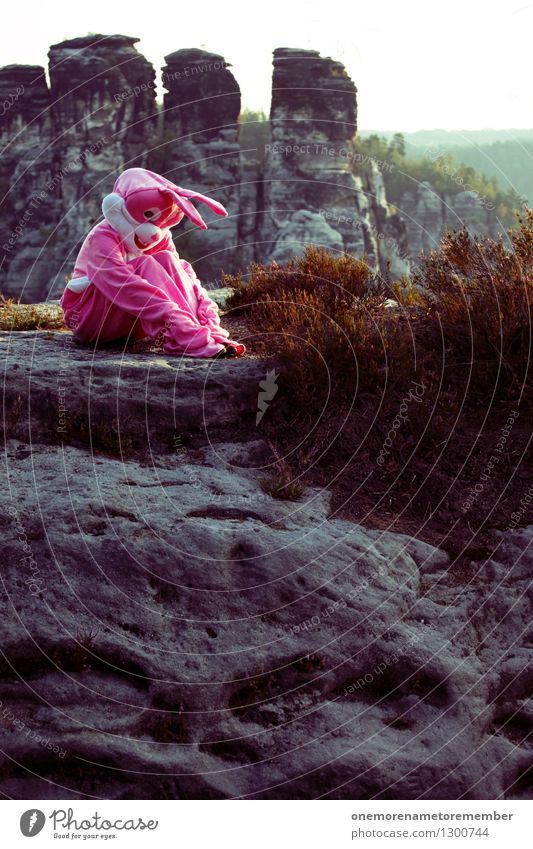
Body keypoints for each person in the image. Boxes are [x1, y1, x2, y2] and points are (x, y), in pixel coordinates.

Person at [60, 167, 246, 359]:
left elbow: (186, 279)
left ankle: (199, 333)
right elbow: (122, 285)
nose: (155, 231)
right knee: (145, 264)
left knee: (168, 259)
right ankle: (185, 336)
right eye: (149, 216)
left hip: (132, 325)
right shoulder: (102, 237)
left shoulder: (158, 236)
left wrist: (208, 319)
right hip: (91, 321)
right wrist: (174, 318)